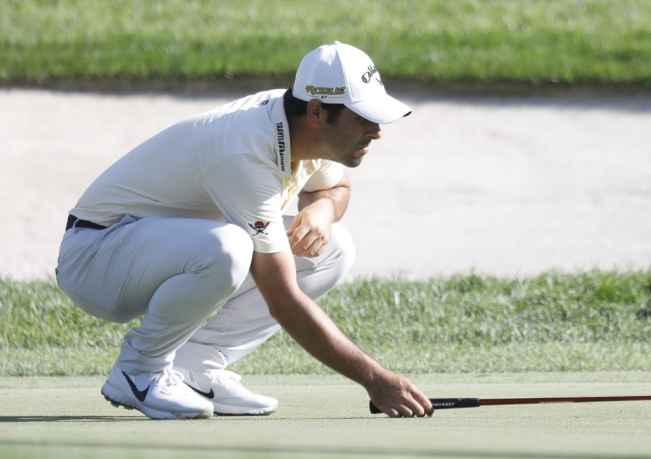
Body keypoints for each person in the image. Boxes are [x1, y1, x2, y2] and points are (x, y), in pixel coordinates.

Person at [56, 42, 433, 420]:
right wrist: (374, 379)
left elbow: (336, 189)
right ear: (318, 112)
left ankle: (197, 366)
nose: (377, 132)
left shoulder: (300, 123)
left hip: (146, 250)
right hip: (95, 259)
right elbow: (282, 298)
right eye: (364, 118)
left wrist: (322, 209)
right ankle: (138, 371)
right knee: (229, 248)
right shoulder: (245, 152)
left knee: (334, 248)